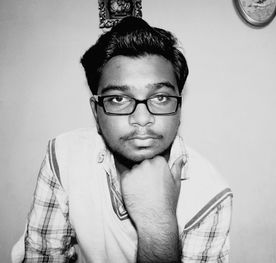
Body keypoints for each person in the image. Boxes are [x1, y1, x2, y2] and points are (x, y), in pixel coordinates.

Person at [12, 16, 233, 262]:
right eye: (118, 99)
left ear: (179, 109)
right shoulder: (63, 158)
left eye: (160, 98)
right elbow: (42, 256)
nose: (141, 118)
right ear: (96, 112)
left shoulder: (210, 196)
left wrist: (158, 223)